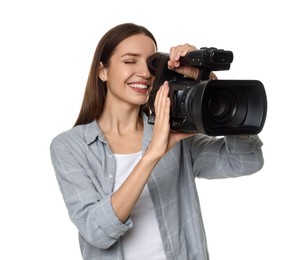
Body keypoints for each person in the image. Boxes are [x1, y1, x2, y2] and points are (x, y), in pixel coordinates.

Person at [50, 23, 264, 260]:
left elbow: (246, 160)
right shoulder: (70, 147)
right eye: (130, 61)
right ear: (102, 71)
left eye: (151, 63)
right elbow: (96, 232)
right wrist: (152, 155)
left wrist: (208, 86)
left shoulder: (176, 133)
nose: (144, 73)